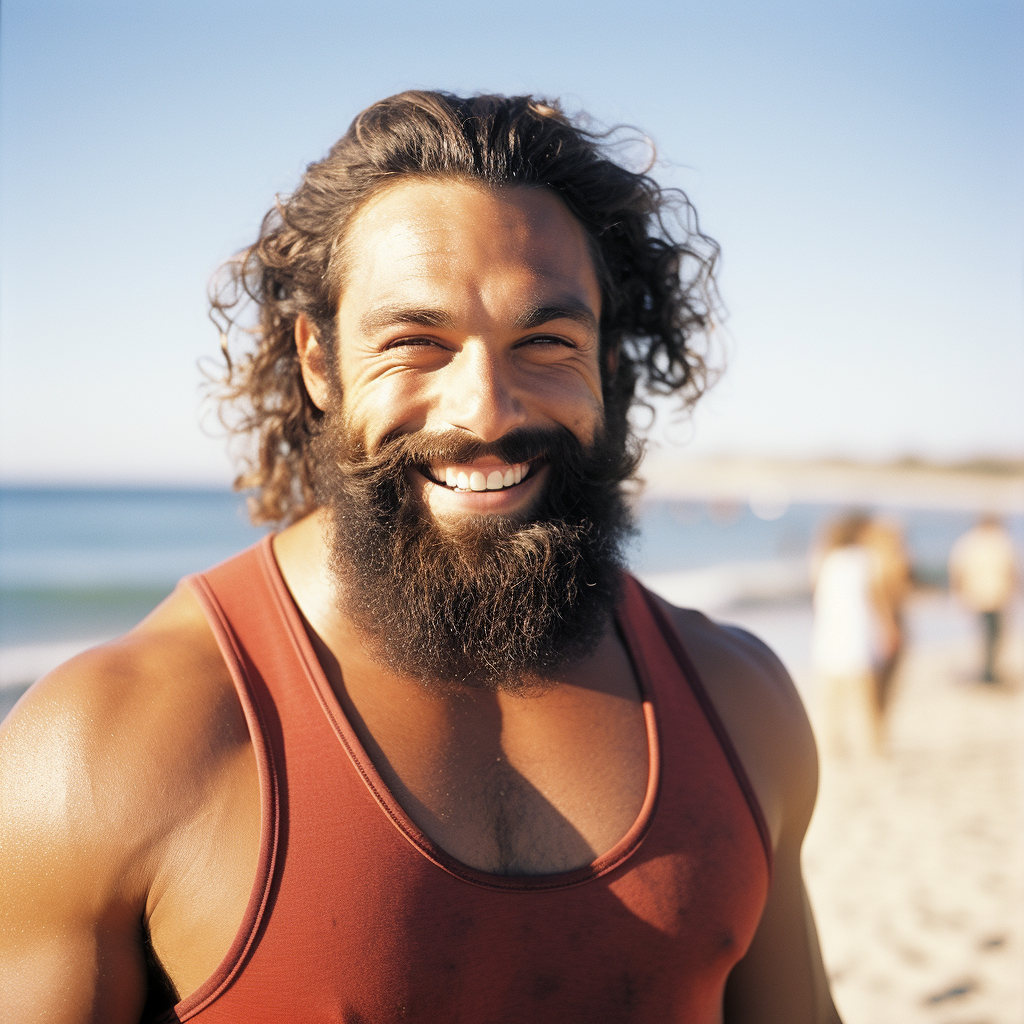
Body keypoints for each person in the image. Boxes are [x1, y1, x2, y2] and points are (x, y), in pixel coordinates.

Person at [0, 92, 841, 1022]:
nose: (485, 412)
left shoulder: (742, 706)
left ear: (607, 360)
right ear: (320, 360)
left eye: (547, 342)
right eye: (417, 343)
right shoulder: (103, 748)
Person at [811, 513, 884, 757]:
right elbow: (875, 599)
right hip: (857, 638)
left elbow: (817, 597)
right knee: (866, 702)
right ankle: (872, 749)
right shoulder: (864, 559)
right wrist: (888, 627)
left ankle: (829, 749)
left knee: (831, 703)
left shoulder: (826, 560)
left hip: (829, 637)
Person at [948, 515, 1018, 683]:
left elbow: (957, 571)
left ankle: (988, 669)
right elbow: (1012, 570)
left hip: (982, 596)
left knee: (988, 634)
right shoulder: (1000, 541)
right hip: (993, 596)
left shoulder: (969, 542)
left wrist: (958, 594)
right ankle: (989, 670)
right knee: (993, 634)